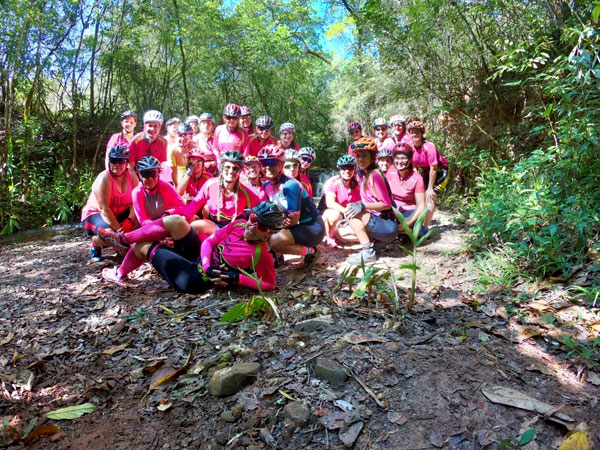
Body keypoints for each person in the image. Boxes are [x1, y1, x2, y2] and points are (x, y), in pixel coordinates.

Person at [101, 202, 284, 292]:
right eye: (253, 218)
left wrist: (237, 278)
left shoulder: (262, 254)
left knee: (144, 245)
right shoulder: (238, 225)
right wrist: (206, 264)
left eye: (260, 226)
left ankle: (120, 275)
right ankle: (124, 239)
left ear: (268, 233)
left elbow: (270, 284)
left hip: (194, 278)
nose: (252, 225)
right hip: (200, 261)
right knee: (176, 221)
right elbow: (210, 242)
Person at [100, 156, 187, 283]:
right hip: (152, 230)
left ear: (158, 174)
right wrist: (159, 229)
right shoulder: (137, 192)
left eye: (153, 174)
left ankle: (124, 239)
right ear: (140, 176)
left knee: (180, 219)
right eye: (146, 174)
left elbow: (183, 207)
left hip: (173, 229)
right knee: (139, 246)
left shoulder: (165, 186)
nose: (150, 179)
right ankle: (120, 273)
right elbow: (143, 221)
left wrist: (170, 213)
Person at [258, 144, 325, 269]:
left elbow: (293, 219)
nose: (267, 167)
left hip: (312, 227)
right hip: (294, 226)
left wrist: (272, 229)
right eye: (263, 163)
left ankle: (312, 251)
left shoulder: (290, 185)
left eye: (272, 162)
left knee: (274, 241)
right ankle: (275, 255)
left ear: (280, 165)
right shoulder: (266, 186)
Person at [345, 138, 398, 265]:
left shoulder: (374, 175)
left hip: (387, 226)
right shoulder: (365, 174)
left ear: (372, 157)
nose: (360, 159)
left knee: (350, 212)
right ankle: (374, 245)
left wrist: (363, 206)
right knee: (351, 209)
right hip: (382, 224)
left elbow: (386, 204)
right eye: (358, 156)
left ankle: (368, 252)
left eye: (364, 156)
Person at [82, 145, 139, 262]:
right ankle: (96, 243)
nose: (116, 165)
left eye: (120, 161)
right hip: (96, 215)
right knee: (111, 236)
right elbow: (104, 209)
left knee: (139, 223)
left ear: (126, 163)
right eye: (113, 161)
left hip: (119, 213)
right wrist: (119, 231)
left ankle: (124, 242)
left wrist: (130, 220)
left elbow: (136, 202)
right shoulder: (104, 178)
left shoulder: (132, 177)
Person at [185, 150, 260, 235]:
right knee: (193, 225)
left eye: (235, 169)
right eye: (227, 167)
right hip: (214, 225)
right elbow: (196, 203)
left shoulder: (246, 192)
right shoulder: (210, 184)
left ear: (240, 171)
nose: (231, 171)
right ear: (222, 168)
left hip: (235, 230)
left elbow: (261, 211)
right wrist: (184, 218)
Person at [407, 119, 449, 230]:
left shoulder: (429, 146)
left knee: (430, 196)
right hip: (425, 171)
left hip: (440, 172)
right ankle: (417, 222)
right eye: (412, 132)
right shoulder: (410, 148)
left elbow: (434, 168)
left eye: (417, 132)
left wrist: (430, 188)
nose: (415, 134)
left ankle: (424, 227)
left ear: (422, 134)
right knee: (420, 196)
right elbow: (414, 167)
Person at [321, 155, 361, 248]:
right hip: (328, 214)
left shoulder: (357, 185)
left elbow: (358, 204)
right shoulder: (332, 182)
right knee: (334, 214)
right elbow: (330, 203)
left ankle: (339, 235)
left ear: (354, 169)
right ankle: (330, 237)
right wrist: (346, 212)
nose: (347, 171)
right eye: (344, 168)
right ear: (339, 169)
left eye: (350, 168)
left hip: (345, 216)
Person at [386, 143, 426, 230]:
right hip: (392, 209)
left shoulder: (417, 178)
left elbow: (421, 205)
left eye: (403, 158)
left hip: (408, 211)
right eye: (397, 158)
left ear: (410, 159)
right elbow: (386, 193)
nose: (400, 161)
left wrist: (408, 223)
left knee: (414, 227)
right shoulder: (391, 171)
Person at [128, 110, 169, 183]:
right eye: (150, 126)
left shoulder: (163, 142)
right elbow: (130, 168)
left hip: (154, 177)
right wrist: (137, 183)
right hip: (137, 175)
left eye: (155, 126)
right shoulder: (135, 141)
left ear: (160, 127)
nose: (152, 129)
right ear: (144, 126)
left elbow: (161, 165)